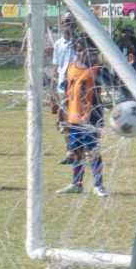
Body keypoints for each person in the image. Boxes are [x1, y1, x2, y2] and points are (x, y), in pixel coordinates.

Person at [55, 37, 110, 197]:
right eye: (79, 49)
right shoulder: (71, 67)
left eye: (86, 49)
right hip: (73, 117)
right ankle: (76, 183)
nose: (82, 53)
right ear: (75, 51)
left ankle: (98, 185)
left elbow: (114, 82)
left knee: (92, 151)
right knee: (76, 151)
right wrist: (61, 114)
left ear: (94, 51)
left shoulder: (98, 69)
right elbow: (67, 93)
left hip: (91, 118)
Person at [52, 13, 77, 164]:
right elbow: (56, 68)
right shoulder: (58, 44)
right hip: (63, 85)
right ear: (61, 25)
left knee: (78, 119)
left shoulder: (80, 42)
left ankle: (82, 151)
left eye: (71, 21)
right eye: (66, 21)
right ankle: (70, 152)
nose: (69, 24)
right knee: (64, 119)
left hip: (78, 84)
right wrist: (52, 90)